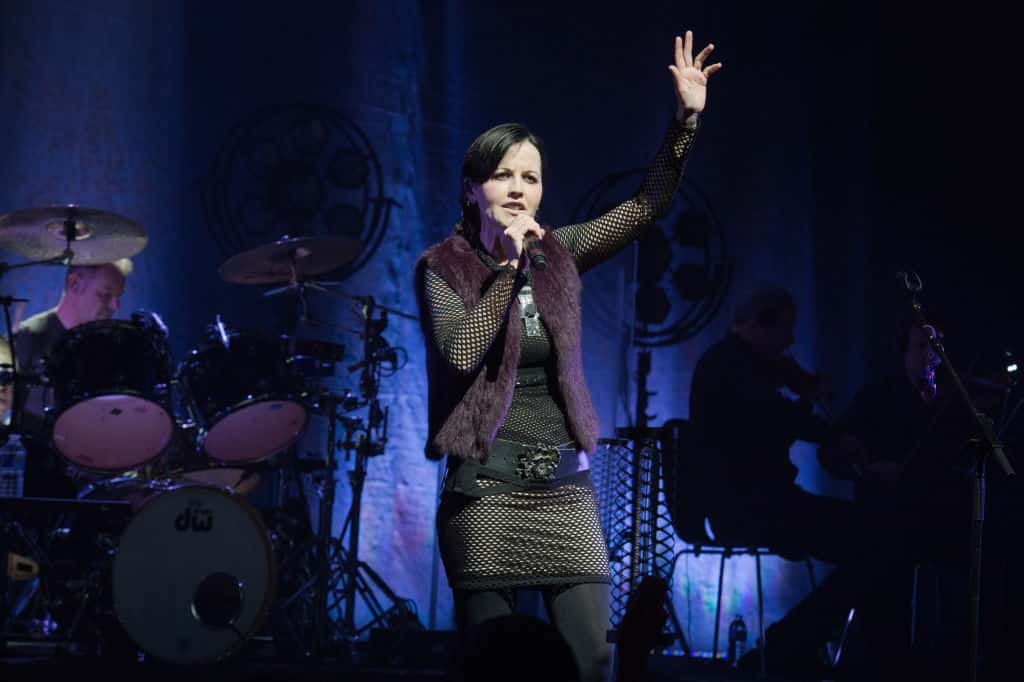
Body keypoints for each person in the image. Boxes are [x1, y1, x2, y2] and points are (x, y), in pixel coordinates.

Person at [414, 30, 721, 682]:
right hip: (485, 495)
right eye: (504, 176)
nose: (520, 189)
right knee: (493, 667)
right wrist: (510, 270)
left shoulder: (561, 252)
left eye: (532, 176)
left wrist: (684, 123)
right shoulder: (441, 267)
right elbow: (461, 351)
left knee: (591, 662)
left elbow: (646, 207)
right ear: (473, 190)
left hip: (564, 493)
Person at [688, 284, 907, 676]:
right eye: (785, 329)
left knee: (875, 545)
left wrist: (807, 386)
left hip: (764, 502)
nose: (790, 339)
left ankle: (802, 649)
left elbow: (782, 374)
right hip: (751, 508)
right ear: (759, 326)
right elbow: (780, 415)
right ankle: (785, 649)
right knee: (877, 544)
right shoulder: (730, 370)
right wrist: (834, 433)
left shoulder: (738, 361)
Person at [10, 259, 133, 498]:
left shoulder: (106, 348)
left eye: (119, 296)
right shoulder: (28, 338)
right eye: (106, 294)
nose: (115, 306)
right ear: (75, 284)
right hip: (36, 480)